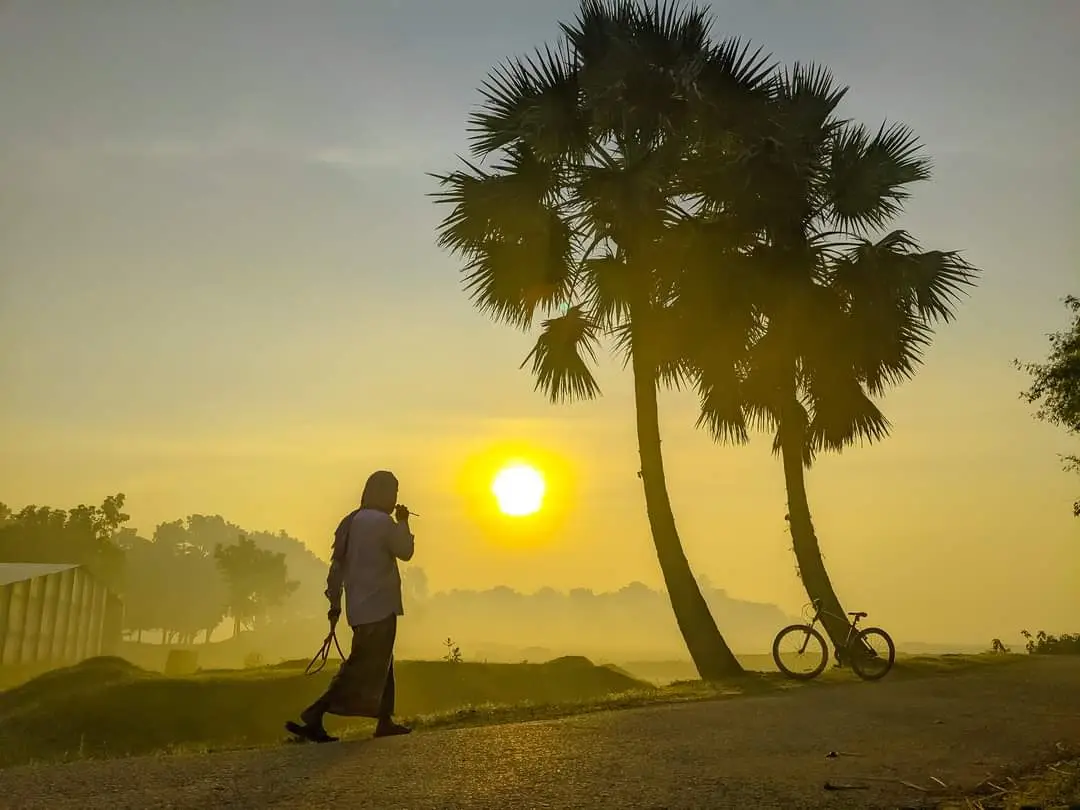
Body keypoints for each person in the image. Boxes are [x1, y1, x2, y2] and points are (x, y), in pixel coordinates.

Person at [285, 470, 415, 743]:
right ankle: (315, 712)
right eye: (392, 493)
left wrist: (335, 604)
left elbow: (337, 568)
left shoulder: (350, 522)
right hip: (380, 605)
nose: (394, 499)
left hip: (358, 607)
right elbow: (404, 551)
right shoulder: (384, 523)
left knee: (383, 663)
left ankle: (384, 719)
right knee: (361, 667)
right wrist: (403, 523)